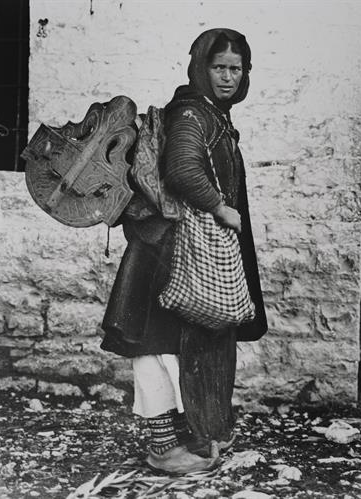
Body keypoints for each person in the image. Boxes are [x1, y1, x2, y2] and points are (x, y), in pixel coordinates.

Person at [100, 28, 267, 474]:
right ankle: (162, 448)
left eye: (236, 68)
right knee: (154, 347)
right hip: (166, 255)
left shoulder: (212, 114)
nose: (228, 77)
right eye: (219, 68)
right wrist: (220, 207)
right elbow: (181, 170)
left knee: (176, 348)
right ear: (201, 67)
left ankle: (188, 440)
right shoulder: (193, 115)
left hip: (182, 254)